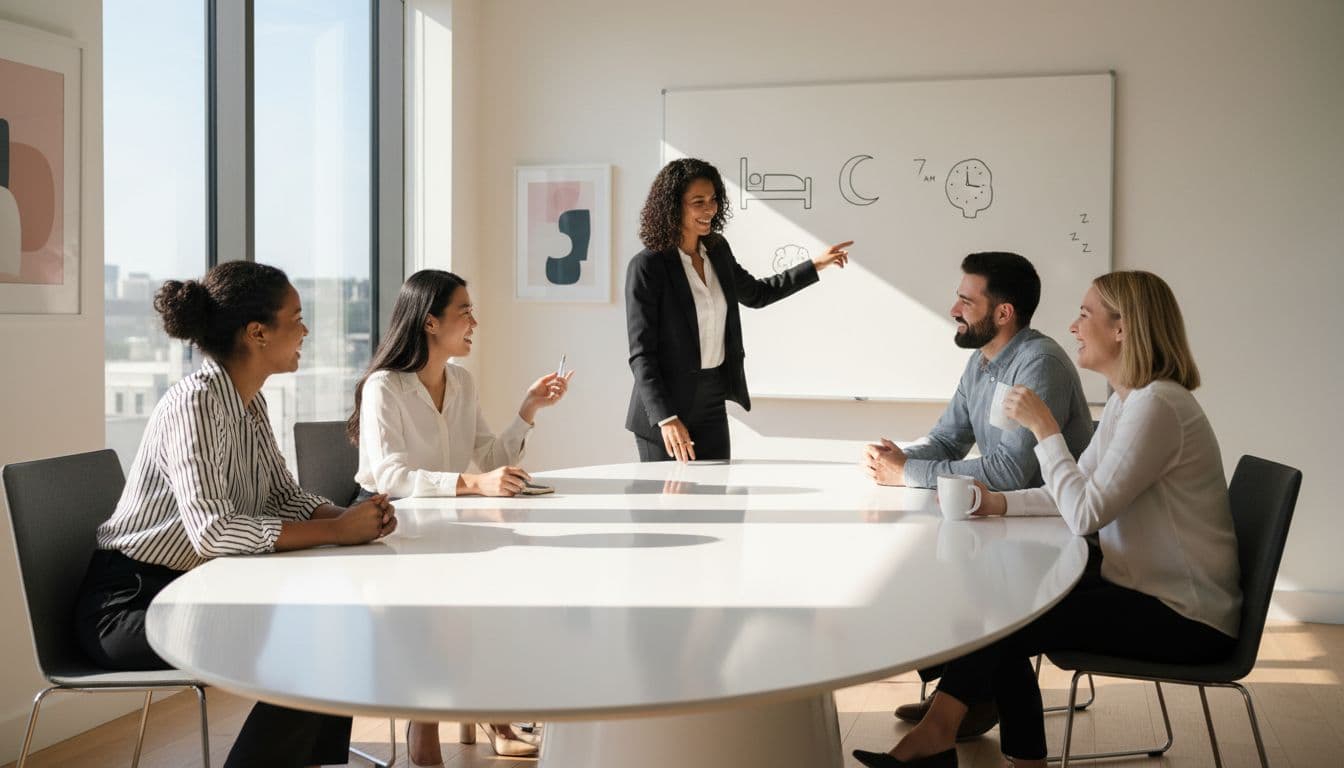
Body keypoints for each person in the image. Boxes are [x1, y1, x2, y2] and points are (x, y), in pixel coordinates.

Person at [853, 271, 1241, 768]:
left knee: (1010, 616)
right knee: (1008, 605)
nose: (1074, 327)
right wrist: (999, 503)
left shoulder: (1158, 406)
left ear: (1122, 330)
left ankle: (941, 739)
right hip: (1143, 587)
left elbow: (1084, 514)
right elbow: (1074, 487)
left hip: (1185, 616)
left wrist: (1045, 430)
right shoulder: (1132, 401)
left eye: (1085, 314)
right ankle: (962, 742)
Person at [75, 262, 398, 768]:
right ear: (257, 334)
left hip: (198, 592)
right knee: (308, 641)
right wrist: (335, 529)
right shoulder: (194, 404)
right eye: (297, 318)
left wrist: (358, 514)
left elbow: (280, 496)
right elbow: (214, 531)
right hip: (133, 606)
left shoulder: (249, 404)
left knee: (333, 625)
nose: (306, 330)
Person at [863, 251, 1093, 738]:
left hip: (1052, 531)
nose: (955, 310)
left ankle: (967, 698)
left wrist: (907, 473)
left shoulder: (1040, 363)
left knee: (953, 573)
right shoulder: (982, 362)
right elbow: (948, 439)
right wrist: (898, 458)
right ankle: (970, 694)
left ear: (1003, 312)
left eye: (966, 301)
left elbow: (1012, 471)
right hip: (1010, 522)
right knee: (930, 564)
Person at [348, 268, 571, 765]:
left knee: (499, 590)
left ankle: (490, 711)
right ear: (430, 322)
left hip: (444, 530)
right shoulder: (384, 386)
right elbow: (390, 477)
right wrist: (472, 485)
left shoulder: (461, 381)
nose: (475, 320)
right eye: (464, 311)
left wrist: (528, 408)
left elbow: (490, 458)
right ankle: (430, 729)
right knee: (447, 600)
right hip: (386, 533)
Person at [625, 157, 852, 462]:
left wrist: (816, 265)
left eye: (713, 199)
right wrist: (666, 418)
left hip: (712, 401)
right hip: (665, 409)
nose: (710, 208)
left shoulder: (717, 250)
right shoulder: (647, 266)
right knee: (669, 507)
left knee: (721, 504)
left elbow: (758, 293)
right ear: (673, 206)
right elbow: (642, 353)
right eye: (698, 201)